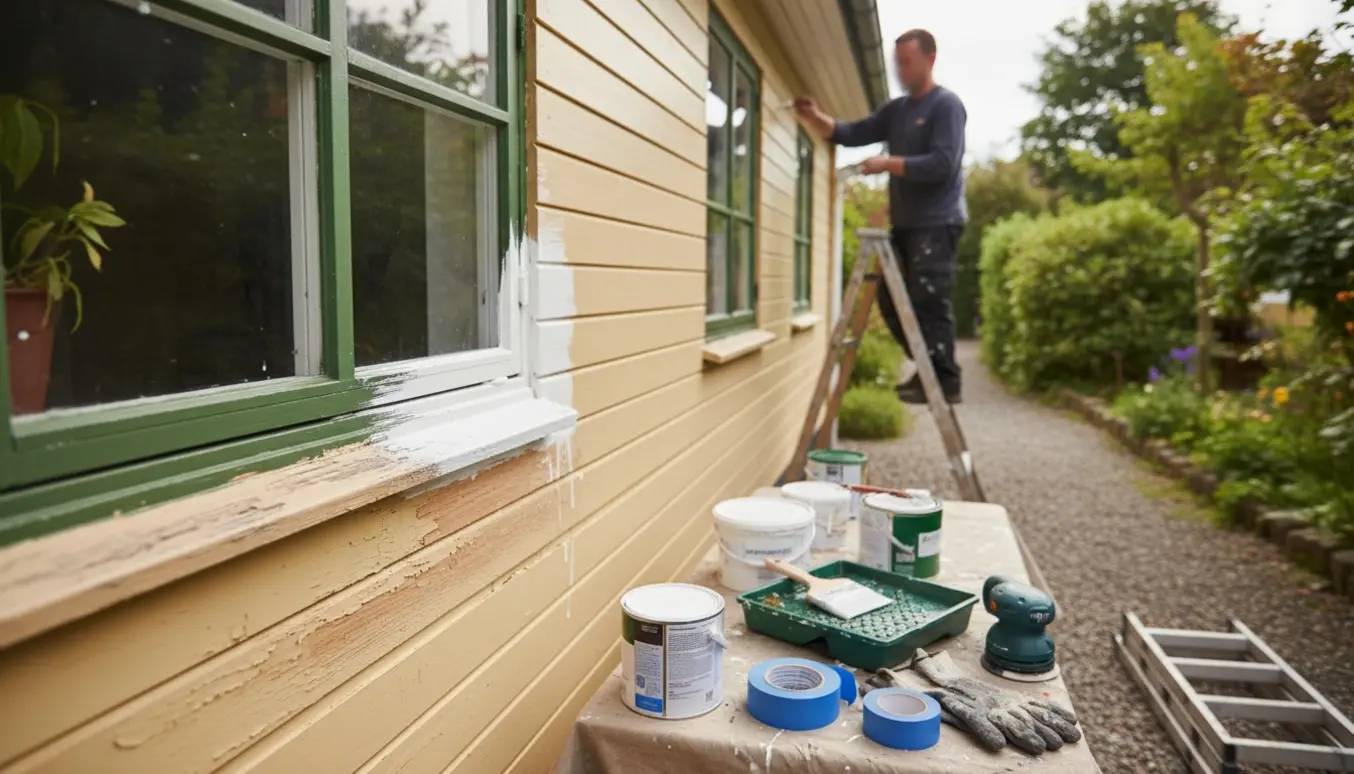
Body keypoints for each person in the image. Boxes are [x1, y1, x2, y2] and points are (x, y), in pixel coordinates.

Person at [795, 28, 967, 404]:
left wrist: (888, 162)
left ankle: (946, 379)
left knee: (929, 299)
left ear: (929, 59)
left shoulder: (945, 106)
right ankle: (926, 372)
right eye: (897, 63)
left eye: (907, 62)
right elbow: (853, 132)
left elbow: (942, 163)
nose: (900, 71)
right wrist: (815, 117)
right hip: (905, 223)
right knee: (891, 299)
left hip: (937, 221)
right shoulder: (897, 111)